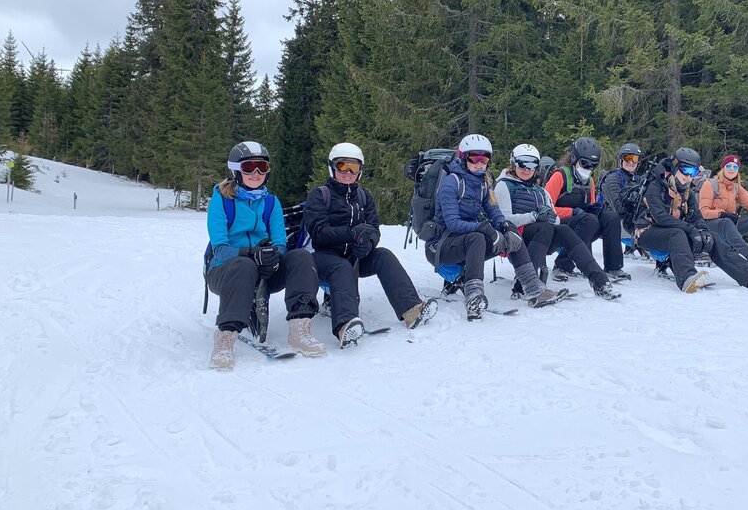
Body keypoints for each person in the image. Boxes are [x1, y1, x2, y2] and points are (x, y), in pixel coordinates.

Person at [303, 142, 438, 348]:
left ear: (360, 171)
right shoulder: (320, 195)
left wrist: (368, 243)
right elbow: (318, 233)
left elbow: (374, 228)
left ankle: (411, 308)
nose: (348, 173)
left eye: (354, 168)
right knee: (341, 267)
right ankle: (345, 324)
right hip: (324, 258)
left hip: (355, 255)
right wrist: (351, 234)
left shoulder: (364, 196)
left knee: (383, 255)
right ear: (332, 168)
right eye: (342, 167)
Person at [205, 141, 325, 370]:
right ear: (236, 170)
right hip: (226, 270)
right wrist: (250, 253)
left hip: (264, 268)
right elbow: (220, 247)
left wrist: (273, 256)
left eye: (262, 167)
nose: (256, 173)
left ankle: (300, 326)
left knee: (301, 256)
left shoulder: (271, 202)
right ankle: (225, 338)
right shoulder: (222, 200)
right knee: (244, 265)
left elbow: (280, 242)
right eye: (249, 167)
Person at [425, 133, 567, 319]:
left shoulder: (484, 183)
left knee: (512, 234)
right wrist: (486, 229)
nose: (479, 163)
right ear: (463, 158)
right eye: (473, 158)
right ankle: (474, 297)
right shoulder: (451, 183)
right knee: (476, 237)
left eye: (483, 159)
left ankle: (534, 290)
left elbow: (495, 212)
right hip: (441, 246)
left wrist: (506, 228)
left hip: (468, 243)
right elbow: (452, 223)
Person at [633, 147, 748, 292]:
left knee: (712, 237)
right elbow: (661, 217)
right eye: (686, 171)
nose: (689, 177)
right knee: (677, 234)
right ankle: (686, 277)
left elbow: (697, 216)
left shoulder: (687, 190)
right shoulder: (656, 186)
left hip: (675, 233)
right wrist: (691, 229)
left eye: (693, 172)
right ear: (675, 167)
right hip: (648, 233)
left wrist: (702, 230)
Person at [494, 143, 620, 301]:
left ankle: (599, 281)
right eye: (522, 163)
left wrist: (551, 217)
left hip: (541, 234)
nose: (527, 169)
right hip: (516, 237)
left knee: (563, 230)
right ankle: (525, 286)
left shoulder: (540, 191)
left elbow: (556, 217)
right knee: (544, 228)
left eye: (532, 164)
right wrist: (535, 216)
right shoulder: (504, 185)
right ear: (514, 163)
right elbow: (504, 219)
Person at [543, 137, 630, 283]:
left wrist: (594, 209)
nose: (588, 169)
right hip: (560, 225)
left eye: (592, 166)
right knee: (588, 221)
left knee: (611, 218)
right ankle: (562, 265)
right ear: (574, 159)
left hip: (584, 223)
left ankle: (613, 266)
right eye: (584, 164)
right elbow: (545, 207)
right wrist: (572, 212)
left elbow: (591, 206)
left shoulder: (589, 181)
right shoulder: (560, 176)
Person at [698, 154, 748, 263]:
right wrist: (722, 214)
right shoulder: (710, 184)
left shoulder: (736, 187)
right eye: (729, 166)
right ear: (723, 168)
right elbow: (703, 212)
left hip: (729, 227)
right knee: (726, 222)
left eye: (735, 167)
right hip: (711, 227)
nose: (732, 169)